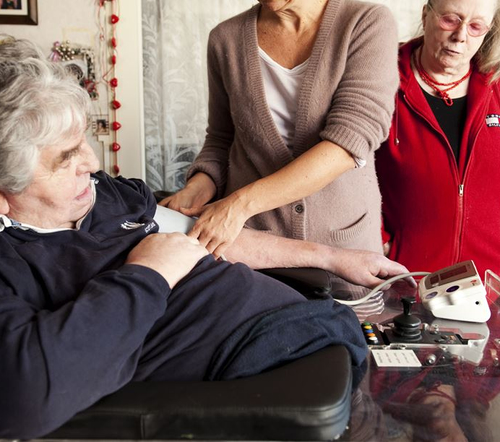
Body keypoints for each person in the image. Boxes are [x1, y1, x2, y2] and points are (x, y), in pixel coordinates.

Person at [0, 35, 411, 439]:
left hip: (304, 332)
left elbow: (207, 236)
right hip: (258, 370)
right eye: (66, 157)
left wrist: (332, 257)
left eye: (83, 141)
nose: (91, 161)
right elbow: (28, 396)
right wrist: (149, 272)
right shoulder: (11, 263)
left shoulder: (103, 192)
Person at [162, 0, 400, 305]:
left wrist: (238, 205)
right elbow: (221, 140)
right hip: (253, 253)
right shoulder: (225, 40)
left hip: (345, 253)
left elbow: (348, 144)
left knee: (354, 355)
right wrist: (199, 186)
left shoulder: (365, 24)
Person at [376, 0, 500, 279]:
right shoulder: (380, 78)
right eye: (450, 19)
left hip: (489, 292)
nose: (460, 36)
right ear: (425, 15)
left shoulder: (496, 88)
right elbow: (345, 171)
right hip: (403, 282)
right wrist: (377, 240)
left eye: (475, 27)